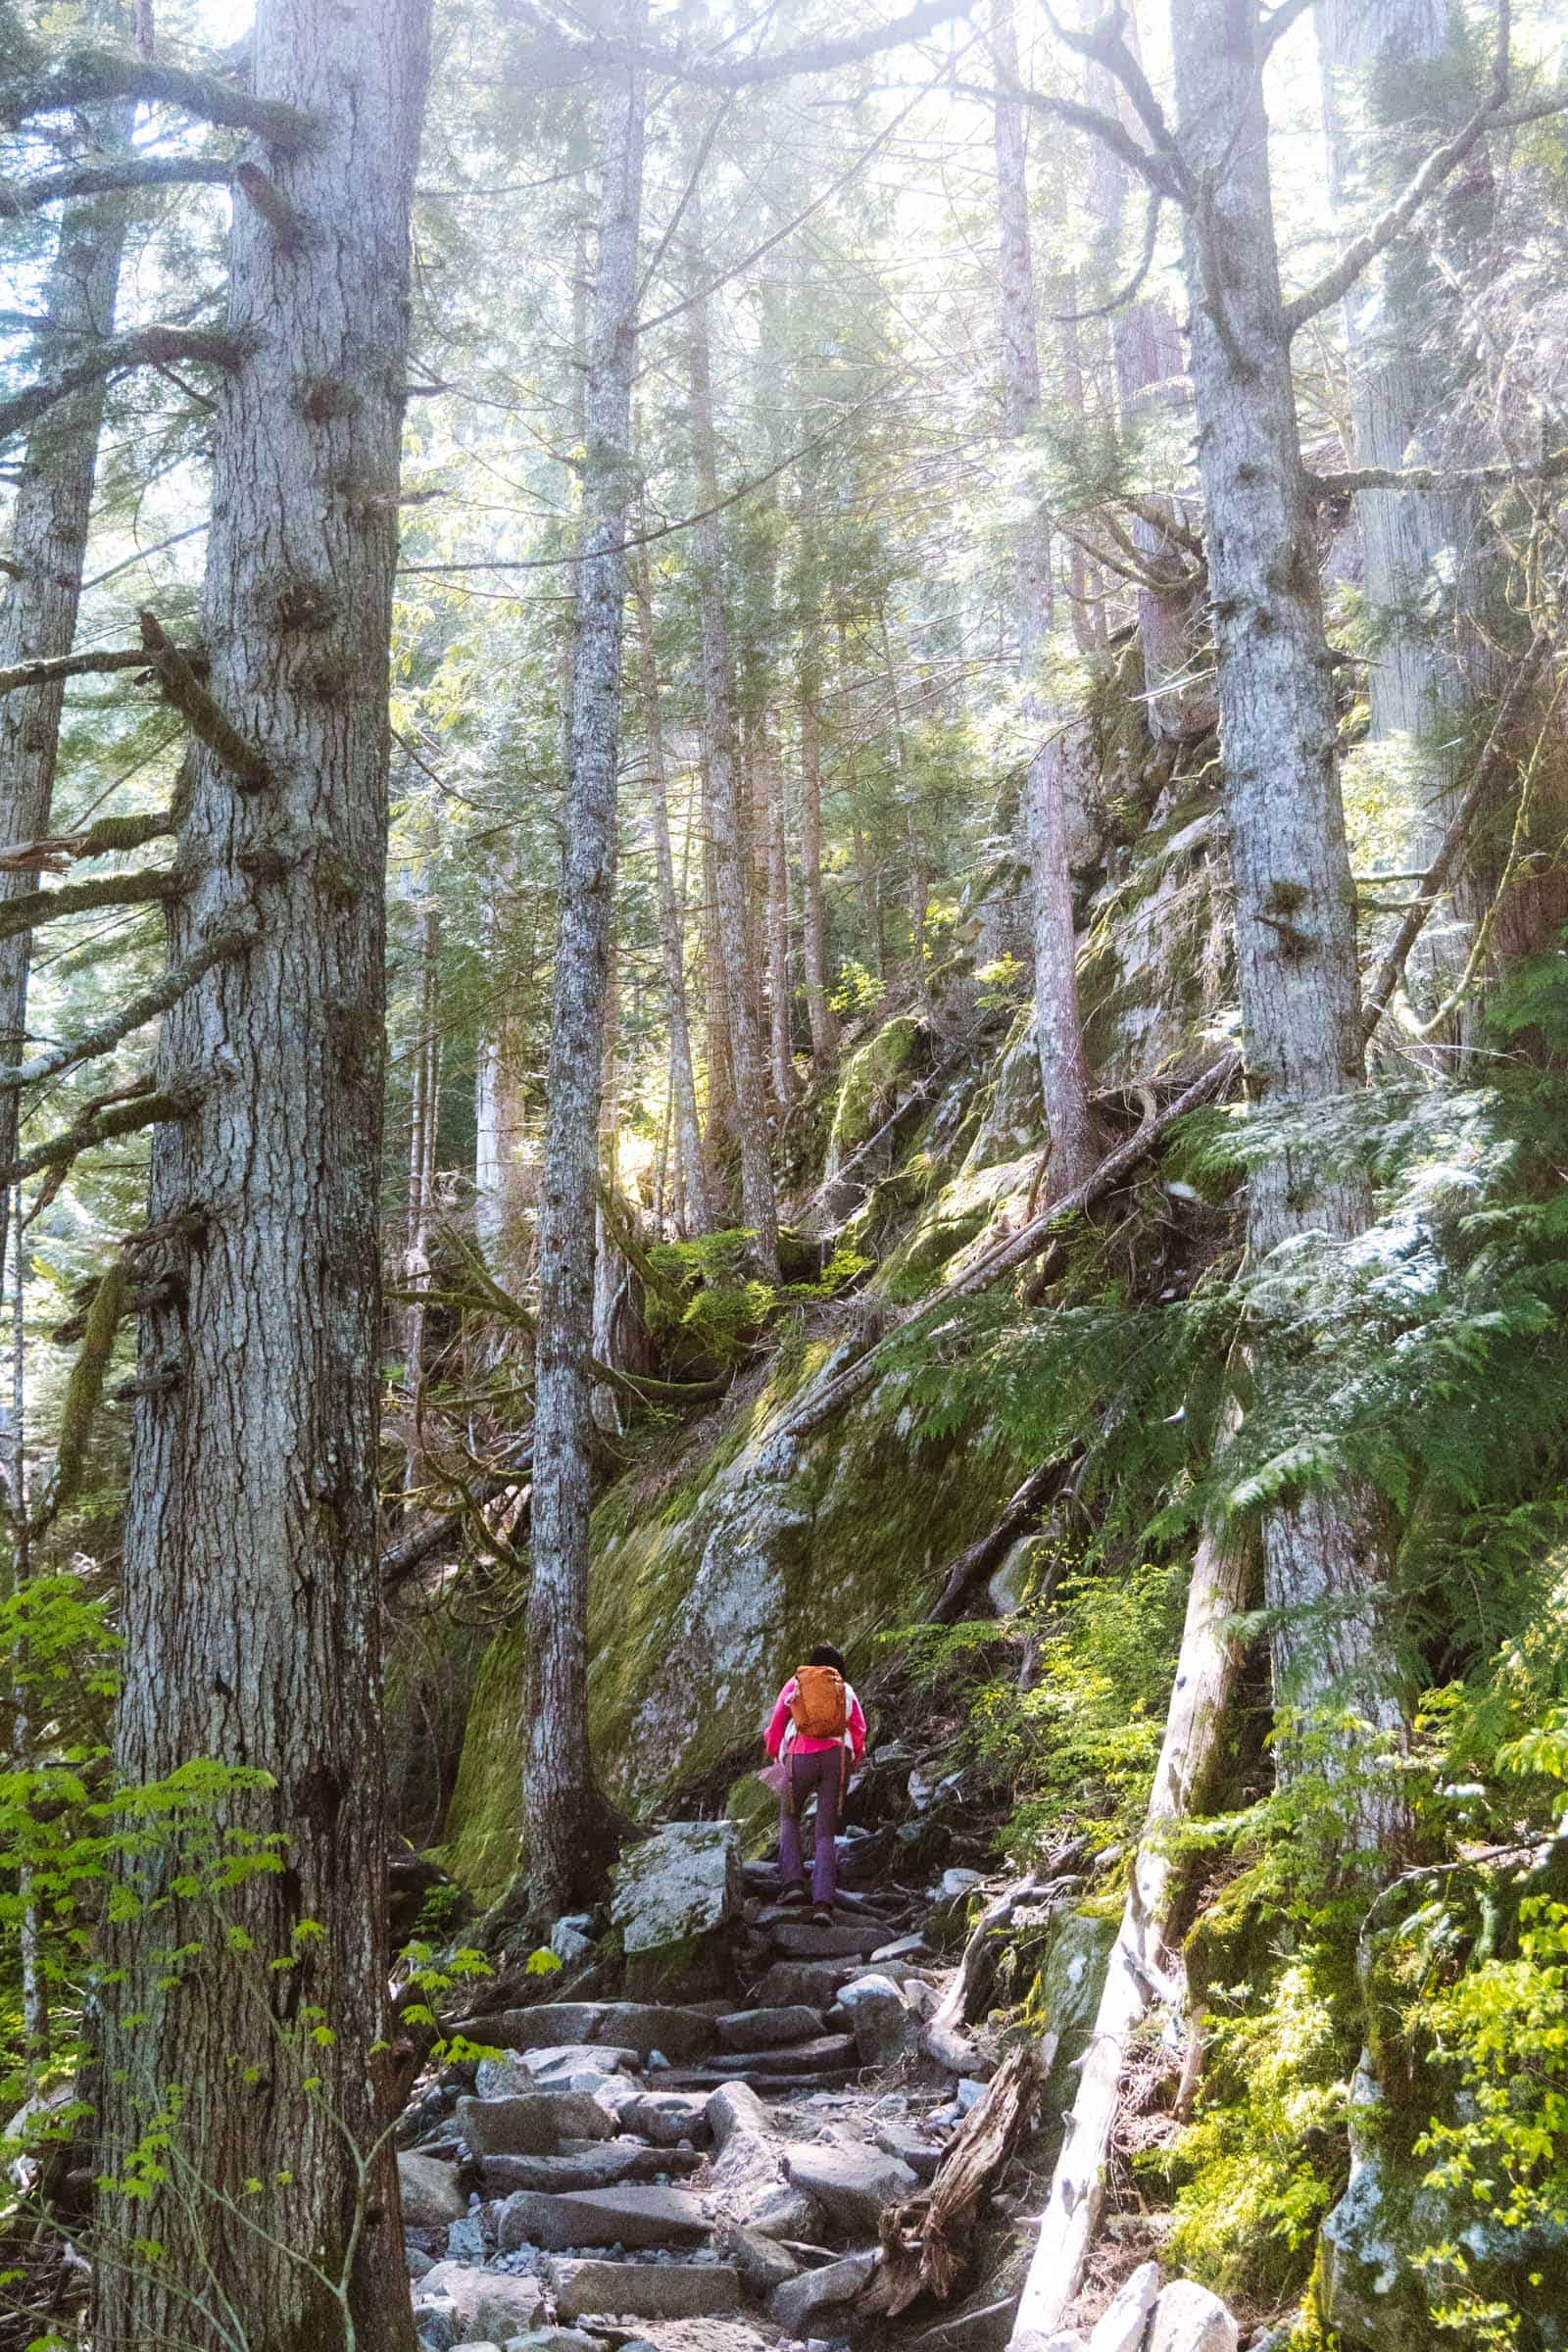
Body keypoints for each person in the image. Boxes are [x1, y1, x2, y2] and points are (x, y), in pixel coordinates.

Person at [764, 1642, 867, 1921]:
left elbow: (776, 1721)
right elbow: (859, 1729)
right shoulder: (844, 1688)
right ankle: (823, 1903)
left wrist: (774, 1751)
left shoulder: (797, 1683)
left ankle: (793, 1884)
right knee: (825, 1833)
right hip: (838, 1758)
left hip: (799, 1756)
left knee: (789, 1817)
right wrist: (853, 1758)